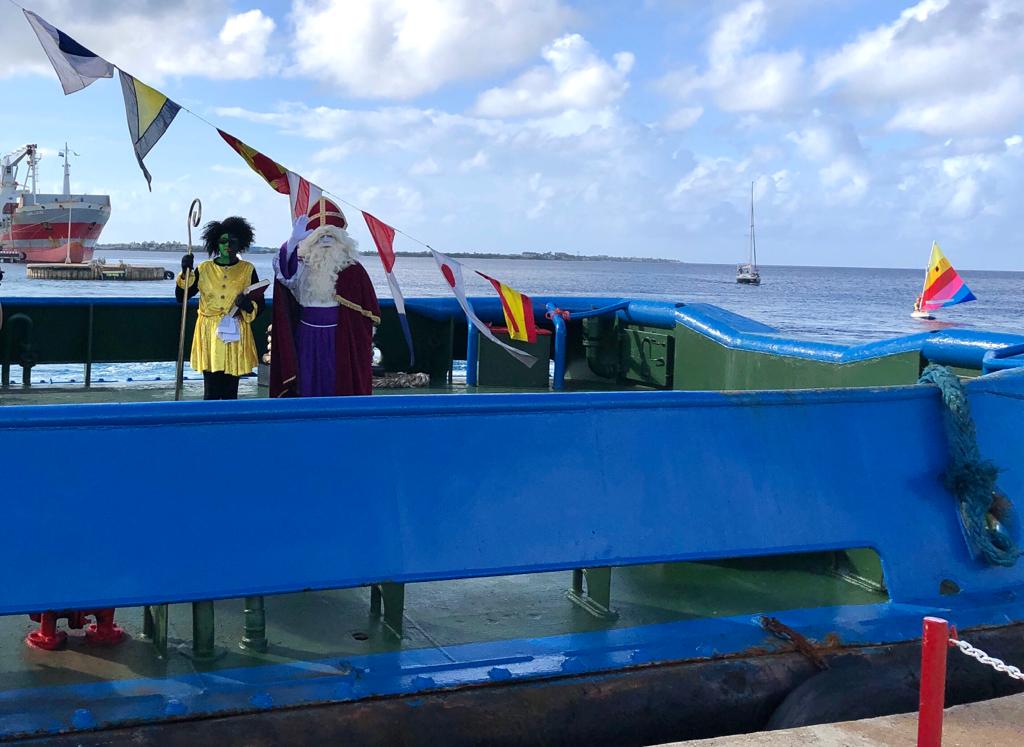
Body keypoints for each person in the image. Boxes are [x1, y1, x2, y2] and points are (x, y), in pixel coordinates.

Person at [270, 198, 379, 397]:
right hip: (307, 335)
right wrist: (292, 242)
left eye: (331, 237)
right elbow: (285, 274)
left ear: (342, 242)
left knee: (337, 379)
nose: (326, 241)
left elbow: (367, 314)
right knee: (307, 378)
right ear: (310, 242)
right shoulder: (303, 266)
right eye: (321, 237)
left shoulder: (353, 270)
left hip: (340, 336)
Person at [176, 216, 263, 400]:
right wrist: (185, 272)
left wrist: (247, 305)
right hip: (210, 333)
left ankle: (230, 424)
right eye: (223, 241)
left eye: (232, 241)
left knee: (231, 388)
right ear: (216, 243)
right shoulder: (204, 268)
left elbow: (259, 303)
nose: (227, 245)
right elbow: (181, 296)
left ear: (241, 243)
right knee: (211, 388)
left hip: (235, 331)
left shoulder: (248, 269)